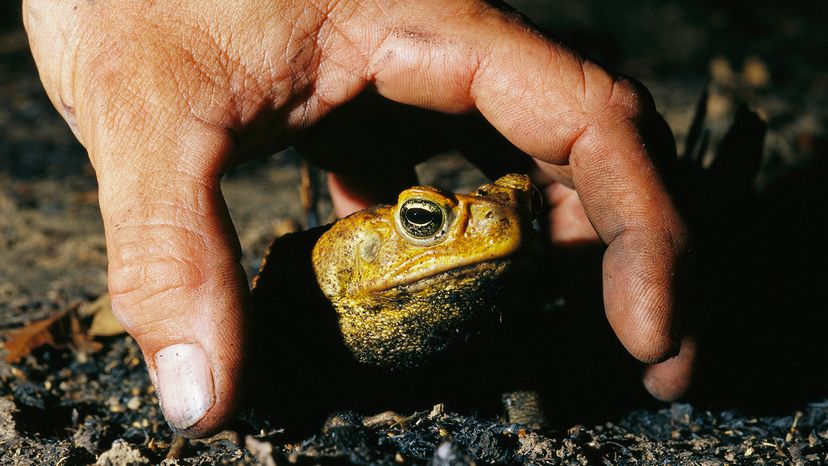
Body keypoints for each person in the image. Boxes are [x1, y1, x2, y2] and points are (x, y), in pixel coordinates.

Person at [23, 0, 694, 437]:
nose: (500, 223)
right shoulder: (329, 287)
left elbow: (515, 359)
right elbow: (284, 316)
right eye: (428, 219)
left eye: (520, 204)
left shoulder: (488, 293)